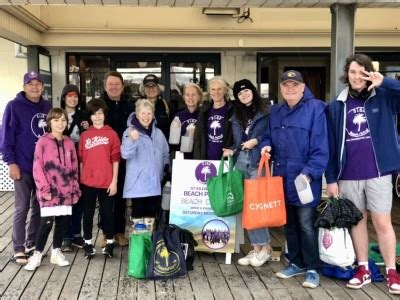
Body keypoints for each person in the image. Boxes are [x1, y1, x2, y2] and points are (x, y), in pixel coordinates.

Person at [326, 54, 400, 295]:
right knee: (356, 221)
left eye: (361, 72)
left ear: (369, 73)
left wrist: (385, 82)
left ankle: (391, 270)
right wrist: (331, 178)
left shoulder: (385, 96)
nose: (357, 77)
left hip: (378, 172)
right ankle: (363, 268)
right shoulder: (338, 104)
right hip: (348, 174)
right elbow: (330, 142)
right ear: (346, 74)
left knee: (381, 222)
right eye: (352, 72)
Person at [260, 70, 329, 288]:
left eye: (294, 85)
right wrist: (265, 146)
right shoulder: (277, 111)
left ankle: (312, 268)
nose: (290, 89)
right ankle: (296, 263)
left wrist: (308, 174)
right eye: (285, 85)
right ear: (280, 89)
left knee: (307, 225)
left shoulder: (315, 109)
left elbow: (321, 148)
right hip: (282, 177)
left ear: (302, 87)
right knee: (289, 225)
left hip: (304, 178)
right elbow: (267, 135)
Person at [0, 71, 51, 265]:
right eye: (31, 84)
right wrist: (11, 162)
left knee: (38, 207)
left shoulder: (47, 107)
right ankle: (18, 247)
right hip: (22, 166)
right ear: (24, 87)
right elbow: (5, 137)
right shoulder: (13, 106)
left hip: (43, 168)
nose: (35, 87)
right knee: (22, 207)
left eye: (38, 84)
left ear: (42, 87)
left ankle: (32, 242)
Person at [223, 79, 272, 267]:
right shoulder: (236, 115)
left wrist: (257, 141)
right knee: (246, 207)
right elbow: (239, 142)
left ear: (253, 91)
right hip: (241, 162)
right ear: (236, 97)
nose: (244, 95)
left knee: (256, 205)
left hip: (257, 162)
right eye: (240, 93)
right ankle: (257, 247)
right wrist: (232, 151)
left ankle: (266, 247)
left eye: (247, 91)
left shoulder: (266, 111)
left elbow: (271, 135)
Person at [24, 108, 81, 271]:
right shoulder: (43, 141)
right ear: (49, 122)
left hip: (66, 190)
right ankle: (37, 255)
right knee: (46, 223)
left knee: (62, 222)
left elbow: (74, 167)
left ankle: (56, 252)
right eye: (56, 120)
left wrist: (75, 188)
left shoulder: (69, 142)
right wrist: (44, 188)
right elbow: (37, 167)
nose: (60, 123)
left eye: (63, 120)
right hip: (49, 191)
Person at [79, 99, 120, 259]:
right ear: (90, 116)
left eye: (100, 113)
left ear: (104, 114)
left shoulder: (112, 134)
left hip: (107, 181)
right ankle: (88, 242)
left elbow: (115, 159)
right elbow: (82, 160)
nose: (97, 117)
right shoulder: (85, 135)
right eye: (94, 114)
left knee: (107, 213)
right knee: (88, 213)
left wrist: (114, 181)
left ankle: (110, 242)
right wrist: (82, 179)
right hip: (88, 182)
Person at [121, 99, 170, 232]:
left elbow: (165, 153)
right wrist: (132, 140)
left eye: (149, 113)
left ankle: (148, 248)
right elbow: (125, 154)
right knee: (138, 217)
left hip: (154, 183)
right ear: (137, 115)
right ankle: (139, 249)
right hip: (138, 185)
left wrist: (166, 169)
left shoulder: (158, 133)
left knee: (151, 218)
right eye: (143, 113)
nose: (146, 117)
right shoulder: (129, 132)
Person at [99, 71, 134, 247]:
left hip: (124, 157)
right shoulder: (98, 105)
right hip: (103, 158)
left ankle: (120, 232)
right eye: (110, 84)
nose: (113, 87)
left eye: (117, 84)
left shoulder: (130, 105)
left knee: (121, 196)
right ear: (105, 86)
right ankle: (106, 233)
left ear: (122, 86)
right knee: (106, 197)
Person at [60, 84, 89, 252]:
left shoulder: (83, 115)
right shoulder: (57, 114)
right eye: (69, 95)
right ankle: (65, 237)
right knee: (65, 199)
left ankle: (77, 234)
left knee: (78, 198)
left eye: (75, 96)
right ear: (64, 97)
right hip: (61, 163)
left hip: (79, 161)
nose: (73, 98)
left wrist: (88, 127)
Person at [193, 76, 233, 160]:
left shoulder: (232, 110)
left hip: (226, 159)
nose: (216, 92)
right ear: (209, 91)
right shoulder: (204, 111)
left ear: (225, 90)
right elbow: (198, 138)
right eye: (213, 89)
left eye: (219, 89)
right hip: (207, 159)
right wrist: (197, 159)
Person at [170, 82, 203, 159]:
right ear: (184, 97)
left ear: (198, 97)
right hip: (182, 158)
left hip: (199, 157)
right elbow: (173, 143)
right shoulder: (178, 116)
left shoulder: (203, 115)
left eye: (194, 95)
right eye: (187, 95)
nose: (190, 98)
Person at [140, 74, 173, 139]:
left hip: (163, 147)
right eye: (147, 86)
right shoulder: (138, 107)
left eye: (154, 86)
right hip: (144, 147)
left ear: (158, 89)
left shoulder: (167, 106)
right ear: (144, 89)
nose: (151, 89)